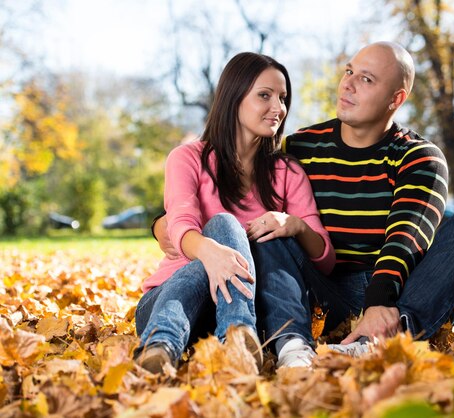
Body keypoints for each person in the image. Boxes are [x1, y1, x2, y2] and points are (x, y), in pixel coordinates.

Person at [154, 41, 454, 368]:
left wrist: (379, 303)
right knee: (273, 232)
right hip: (324, 290)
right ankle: (290, 339)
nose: (347, 85)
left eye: (366, 79)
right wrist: (163, 225)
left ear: (396, 99)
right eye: (349, 72)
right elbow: (230, 191)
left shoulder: (419, 157)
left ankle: (387, 336)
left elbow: (406, 239)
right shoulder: (300, 148)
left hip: (399, 288)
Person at [134, 52, 335, 374]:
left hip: (253, 314)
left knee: (255, 236)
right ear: (234, 97)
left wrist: (294, 224)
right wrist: (211, 254)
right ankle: (178, 343)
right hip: (170, 305)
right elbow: (180, 220)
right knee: (224, 228)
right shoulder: (187, 158)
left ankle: (227, 336)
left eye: (283, 98)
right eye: (264, 96)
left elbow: (325, 258)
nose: (278, 108)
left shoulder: (288, 171)